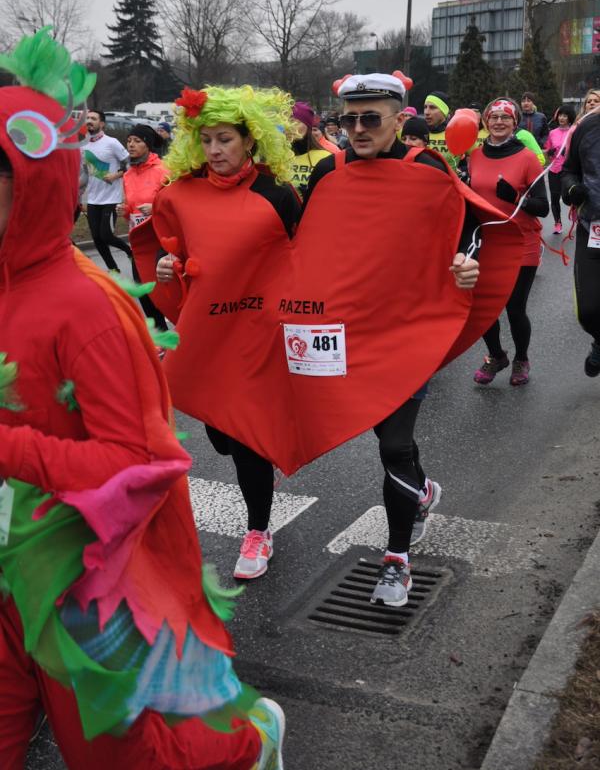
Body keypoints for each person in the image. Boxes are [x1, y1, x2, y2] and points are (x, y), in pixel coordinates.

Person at [0, 31, 285, 770]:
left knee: (122, 757)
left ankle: (250, 744)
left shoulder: (85, 308)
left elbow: (143, 461)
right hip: (6, 567)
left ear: (28, 184)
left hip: (81, 578)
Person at [301, 73, 483, 607]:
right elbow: (295, 241)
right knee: (376, 430)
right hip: (344, 331)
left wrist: (467, 260)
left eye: (370, 118)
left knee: (394, 444)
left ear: (399, 120)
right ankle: (423, 493)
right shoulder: (327, 172)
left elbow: (469, 225)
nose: (356, 129)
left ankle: (397, 561)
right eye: (348, 119)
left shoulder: (425, 167)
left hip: (406, 329)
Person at [132, 85, 301, 582]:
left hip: (258, 336)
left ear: (250, 140)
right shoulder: (180, 195)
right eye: (205, 141)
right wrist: (168, 269)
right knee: (223, 437)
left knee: (245, 439)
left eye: (224, 139)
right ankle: (257, 463)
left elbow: (307, 260)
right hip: (207, 335)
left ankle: (258, 530)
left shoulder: (278, 195)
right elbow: (171, 253)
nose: (214, 150)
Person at [469, 98, 549, 387]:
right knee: (483, 307)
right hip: (488, 242)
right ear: (486, 121)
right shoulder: (475, 156)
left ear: (515, 123)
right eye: (494, 117)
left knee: (514, 307)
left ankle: (521, 359)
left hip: (521, 242)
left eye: (505, 117)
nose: (499, 121)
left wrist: (515, 197)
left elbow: (543, 206)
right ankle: (496, 356)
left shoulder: (527, 157)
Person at [117, 124, 170, 332]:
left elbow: (176, 204)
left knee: (163, 289)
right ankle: (160, 334)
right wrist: (124, 210)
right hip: (139, 242)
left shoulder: (163, 170)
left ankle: (183, 330)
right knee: (142, 288)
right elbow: (130, 212)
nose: (131, 145)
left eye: (137, 141)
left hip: (160, 239)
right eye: (129, 140)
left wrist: (156, 207)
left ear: (148, 145)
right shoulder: (128, 176)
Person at [561, 100, 600, 376]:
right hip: (593, 227)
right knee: (587, 310)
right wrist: (572, 188)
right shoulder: (587, 127)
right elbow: (568, 171)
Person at [82, 109, 132, 270]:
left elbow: (129, 164)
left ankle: (129, 251)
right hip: (92, 199)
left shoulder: (112, 142)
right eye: (88, 118)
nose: (89, 121)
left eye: (93, 118)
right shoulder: (83, 145)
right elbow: (84, 173)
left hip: (111, 199)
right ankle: (113, 269)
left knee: (106, 235)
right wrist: (77, 195)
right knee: (96, 238)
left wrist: (116, 175)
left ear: (101, 123)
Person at [289, 101, 336, 195]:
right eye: (286, 122)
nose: (289, 126)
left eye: (295, 122)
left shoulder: (326, 158)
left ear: (308, 126)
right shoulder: (275, 157)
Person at [544, 105, 576, 233]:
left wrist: (568, 153)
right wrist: (550, 152)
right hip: (554, 170)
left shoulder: (574, 131)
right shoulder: (552, 133)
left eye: (565, 115)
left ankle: (574, 208)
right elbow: (547, 149)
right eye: (560, 115)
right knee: (554, 197)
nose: (562, 118)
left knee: (567, 196)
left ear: (570, 117)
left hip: (568, 170)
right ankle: (557, 223)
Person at [423, 90, 460, 171]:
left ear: (444, 111)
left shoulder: (456, 133)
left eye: (432, 107)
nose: (426, 112)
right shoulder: (419, 132)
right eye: (425, 107)